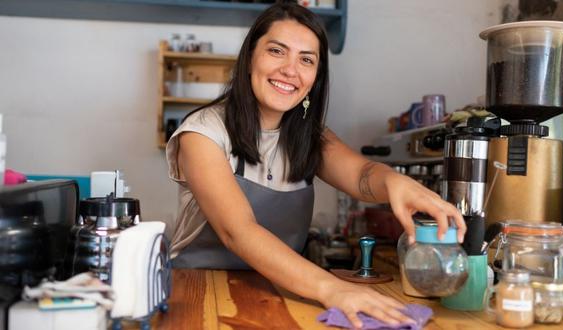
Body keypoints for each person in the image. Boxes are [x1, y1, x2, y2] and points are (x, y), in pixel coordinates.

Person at [165, 2, 465, 327]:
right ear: (250, 58)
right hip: (199, 289)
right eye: (277, 51)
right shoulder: (202, 132)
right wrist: (333, 289)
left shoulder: (309, 135)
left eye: (306, 59)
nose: (290, 70)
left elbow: (363, 176)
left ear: (315, 77)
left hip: (285, 289)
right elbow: (238, 232)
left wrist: (395, 182)